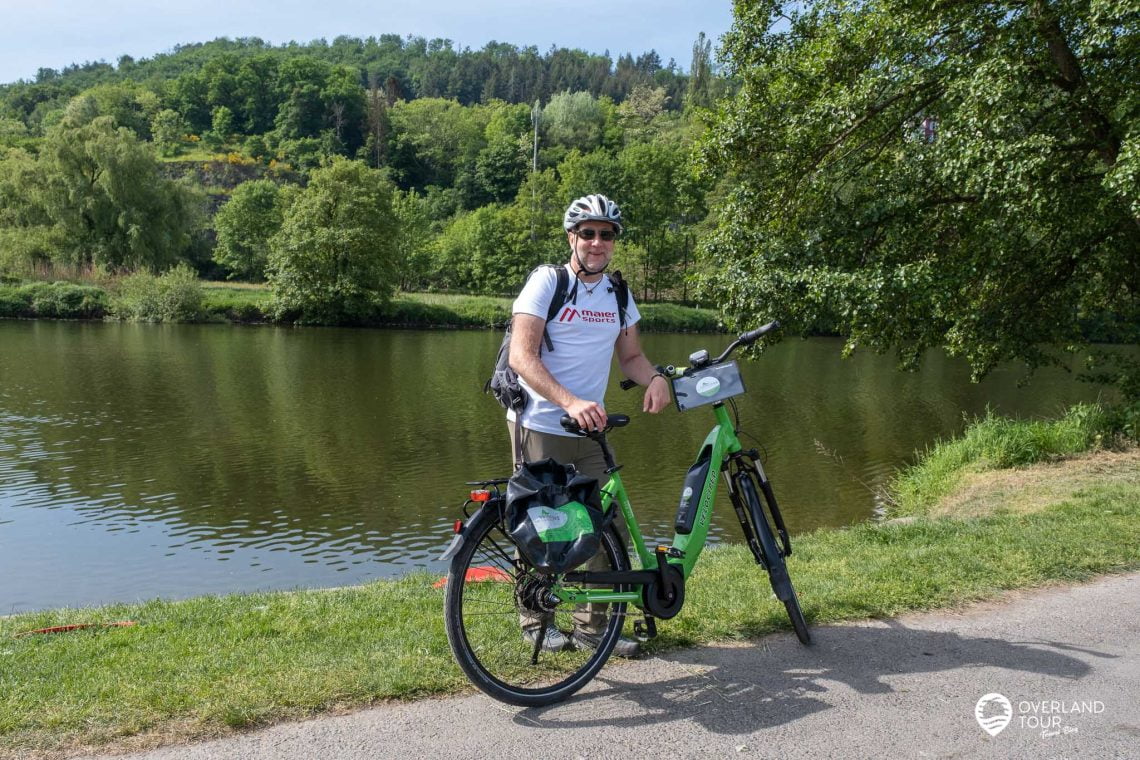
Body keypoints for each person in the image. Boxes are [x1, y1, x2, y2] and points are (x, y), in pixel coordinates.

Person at [507, 193, 671, 657]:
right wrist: (570, 400)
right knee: (543, 525)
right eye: (588, 233)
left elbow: (632, 356)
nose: (597, 242)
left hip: (590, 428)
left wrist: (655, 377)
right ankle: (536, 621)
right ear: (571, 237)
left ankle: (594, 630)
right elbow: (522, 356)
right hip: (540, 421)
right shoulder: (546, 282)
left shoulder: (618, 293)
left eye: (606, 234)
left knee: (599, 526)